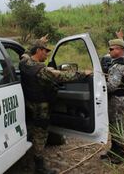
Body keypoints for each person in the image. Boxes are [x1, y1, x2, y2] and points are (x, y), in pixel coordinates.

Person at [19, 38, 91, 174]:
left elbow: (26, 53)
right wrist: (83, 73)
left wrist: (38, 41)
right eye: (45, 51)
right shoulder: (41, 70)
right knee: (40, 134)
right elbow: (63, 77)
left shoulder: (24, 63)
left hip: (30, 104)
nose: (47, 55)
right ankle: (39, 167)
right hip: (41, 108)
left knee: (35, 128)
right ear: (39, 51)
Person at [100, 38, 124, 165]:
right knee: (116, 124)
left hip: (116, 99)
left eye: (111, 49)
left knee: (117, 126)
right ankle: (114, 150)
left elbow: (111, 86)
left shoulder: (118, 65)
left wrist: (99, 83)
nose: (109, 51)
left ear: (120, 50)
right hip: (123, 97)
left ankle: (119, 155)